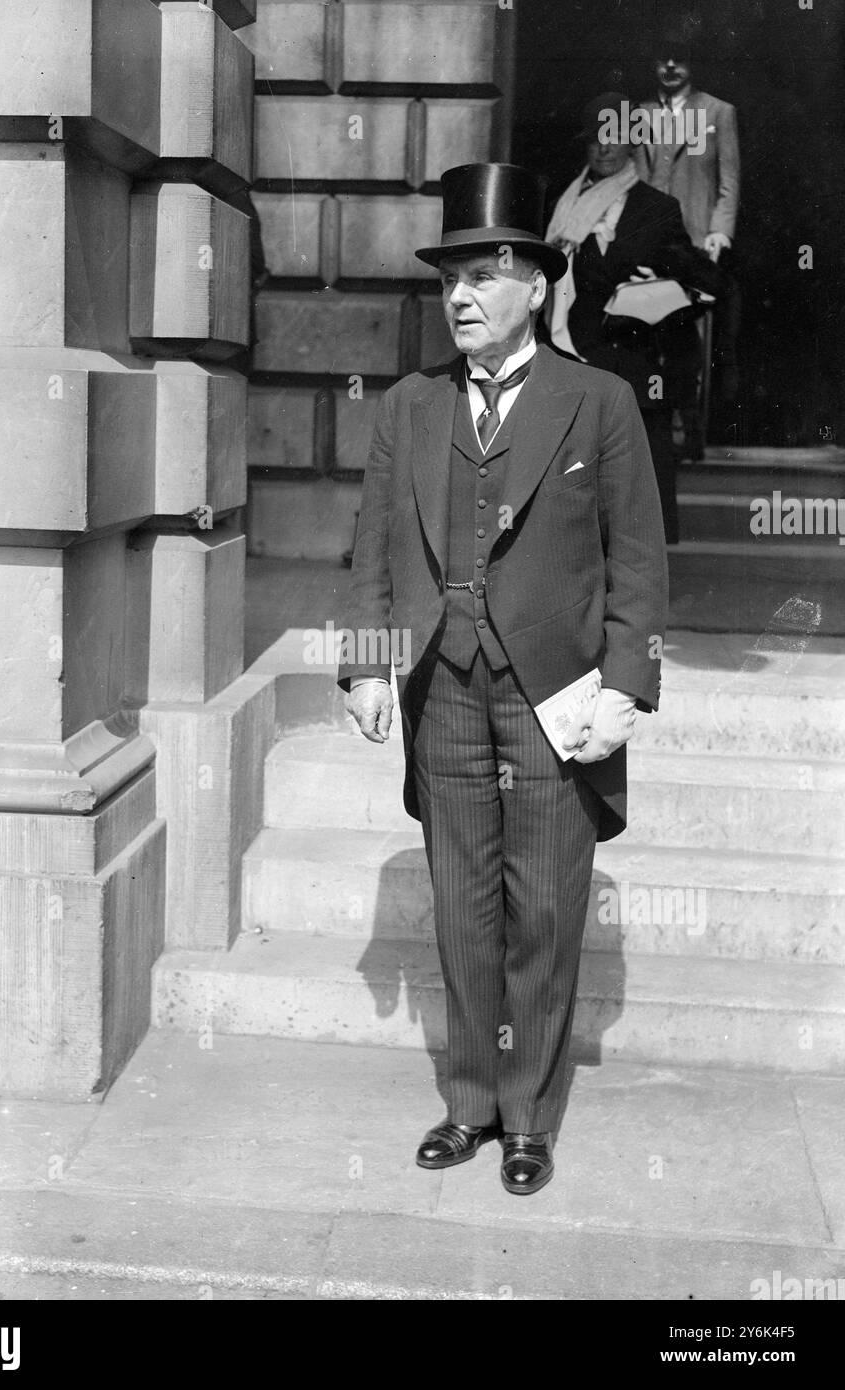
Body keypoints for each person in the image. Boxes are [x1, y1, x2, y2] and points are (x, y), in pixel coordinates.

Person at [337, 164, 668, 1196]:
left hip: (556, 693)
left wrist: (627, 682)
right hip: (444, 688)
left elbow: (640, 557)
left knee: (544, 911)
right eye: (450, 282)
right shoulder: (409, 405)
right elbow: (372, 549)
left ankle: (528, 1114)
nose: (463, 299)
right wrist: (363, 663)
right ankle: (469, 1102)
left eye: (483, 275)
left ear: (534, 283)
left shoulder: (599, 401)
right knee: (461, 906)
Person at [543, 92, 708, 544]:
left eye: (615, 138)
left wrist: (652, 289)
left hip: (633, 371)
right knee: (571, 517)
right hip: (570, 363)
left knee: (635, 519)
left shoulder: (657, 210)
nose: (604, 149)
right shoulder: (561, 206)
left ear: (633, 142)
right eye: (596, 139)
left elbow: (701, 287)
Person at [635, 30, 741, 459]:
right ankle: (651, 427)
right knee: (644, 330)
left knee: (688, 339)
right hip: (647, 242)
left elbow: (729, 182)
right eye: (664, 60)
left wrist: (721, 231)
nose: (671, 68)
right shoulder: (637, 113)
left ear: (692, 65)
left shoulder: (718, 111)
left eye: (680, 60)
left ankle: (688, 427)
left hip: (695, 243)